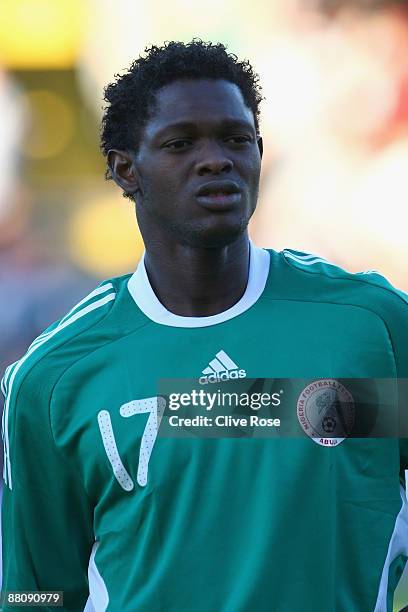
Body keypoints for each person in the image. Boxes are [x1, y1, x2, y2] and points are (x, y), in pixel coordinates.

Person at [1, 39, 408, 612]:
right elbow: (35, 589)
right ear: (125, 169)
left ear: (260, 153)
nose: (216, 159)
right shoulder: (54, 379)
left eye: (236, 139)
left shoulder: (370, 330)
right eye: (181, 143)